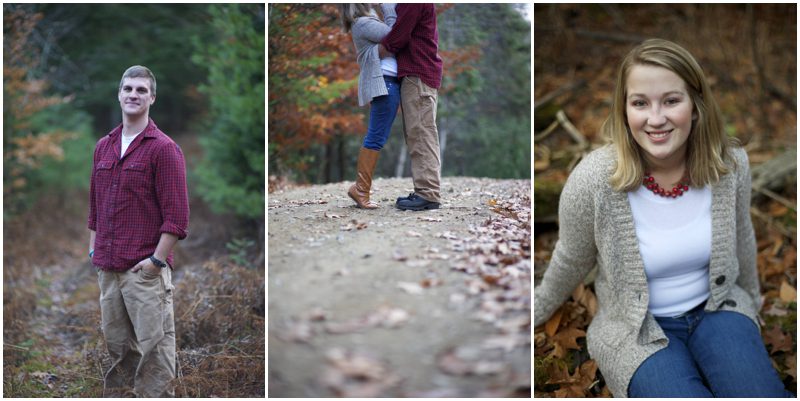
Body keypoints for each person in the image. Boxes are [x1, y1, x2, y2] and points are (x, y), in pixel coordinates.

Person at [534, 39, 794, 397]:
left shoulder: (730, 165)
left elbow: (741, 234)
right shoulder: (594, 180)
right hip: (635, 329)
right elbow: (571, 257)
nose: (656, 119)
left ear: (696, 105)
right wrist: (533, 310)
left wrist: (750, 298)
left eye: (671, 100)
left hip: (718, 310)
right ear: (625, 110)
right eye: (640, 103)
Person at [87, 65, 189, 397]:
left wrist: (156, 262)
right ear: (119, 94)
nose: (134, 95)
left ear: (152, 98)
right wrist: (94, 250)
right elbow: (95, 208)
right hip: (108, 268)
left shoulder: (163, 148)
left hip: (143, 271)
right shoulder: (104, 146)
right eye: (128, 88)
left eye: (141, 90)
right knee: (119, 351)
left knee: (155, 351)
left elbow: (177, 217)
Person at [377, 3, 443, 211]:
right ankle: (425, 190)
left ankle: (428, 193)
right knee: (418, 132)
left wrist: (372, 51)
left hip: (418, 74)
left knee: (421, 132)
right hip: (417, 73)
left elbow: (397, 37)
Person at [340, 3, 399, 209]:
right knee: (376, 136)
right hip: (385, 84)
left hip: (388, 83)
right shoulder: (364, 23)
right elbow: (395, 36)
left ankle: (360, 189)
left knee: (376, 135)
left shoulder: (366, 22)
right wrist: (390, 10)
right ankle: (361, 190)